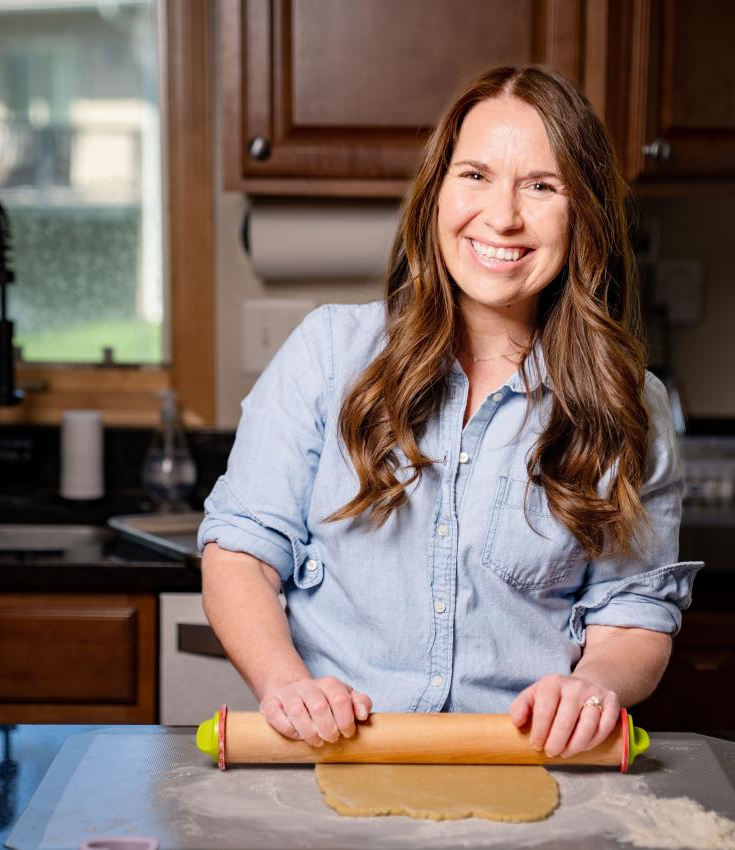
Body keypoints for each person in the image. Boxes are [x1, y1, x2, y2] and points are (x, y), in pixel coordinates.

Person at [198, 65, 702, 760]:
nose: (503, 216)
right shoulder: (327, 354)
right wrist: (285, 682)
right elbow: (242, 552)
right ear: (436, 193)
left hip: (530, 769)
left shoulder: (629, 404)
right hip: (333, 759)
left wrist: (597, 685)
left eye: (542, 186)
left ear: (582, 213)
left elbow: (634, 610)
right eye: (475, 176)